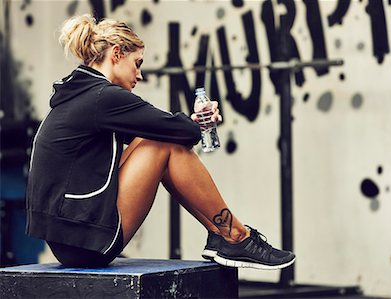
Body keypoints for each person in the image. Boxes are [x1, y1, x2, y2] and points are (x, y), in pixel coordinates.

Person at [25, 14, 295, 270]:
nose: (139, 75)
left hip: (71, 237)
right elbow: (181, 134)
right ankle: (235, 236)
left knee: (158, 138)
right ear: (117, 54)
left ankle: (223, 235)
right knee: (164, 143)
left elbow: (163, 128)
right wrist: (198, 123)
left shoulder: (81, 93)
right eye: (137, 63)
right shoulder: (103, 97)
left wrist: (191, 123)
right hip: (87, 241)